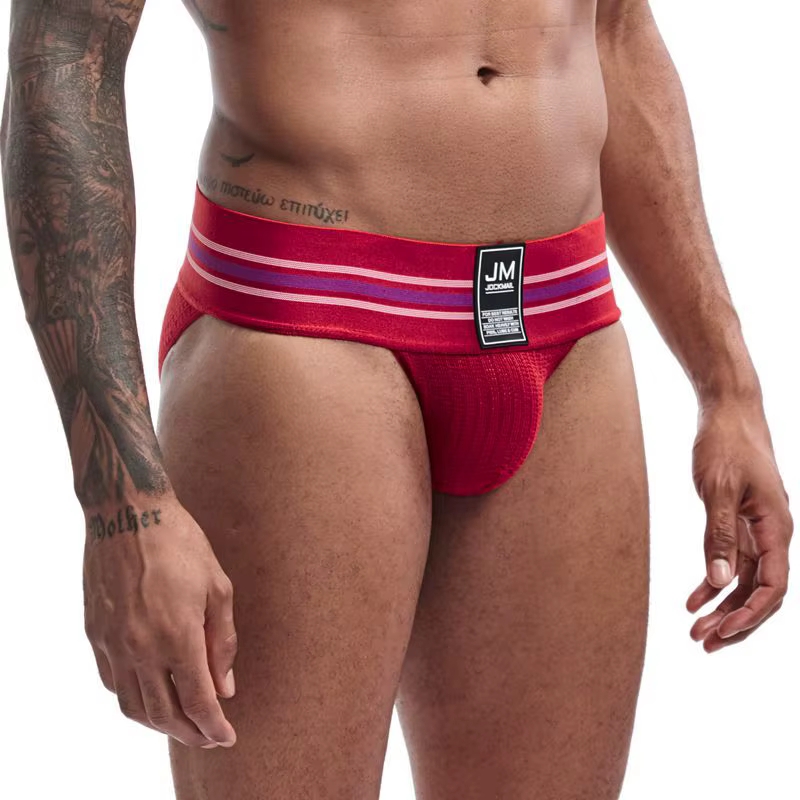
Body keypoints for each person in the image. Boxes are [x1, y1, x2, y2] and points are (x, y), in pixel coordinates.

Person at [1, 1, 792, 798]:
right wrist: (123, 505)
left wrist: (727, 384)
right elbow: (67, 51)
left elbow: (616, 29)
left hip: (566, 323)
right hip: (308, 322)